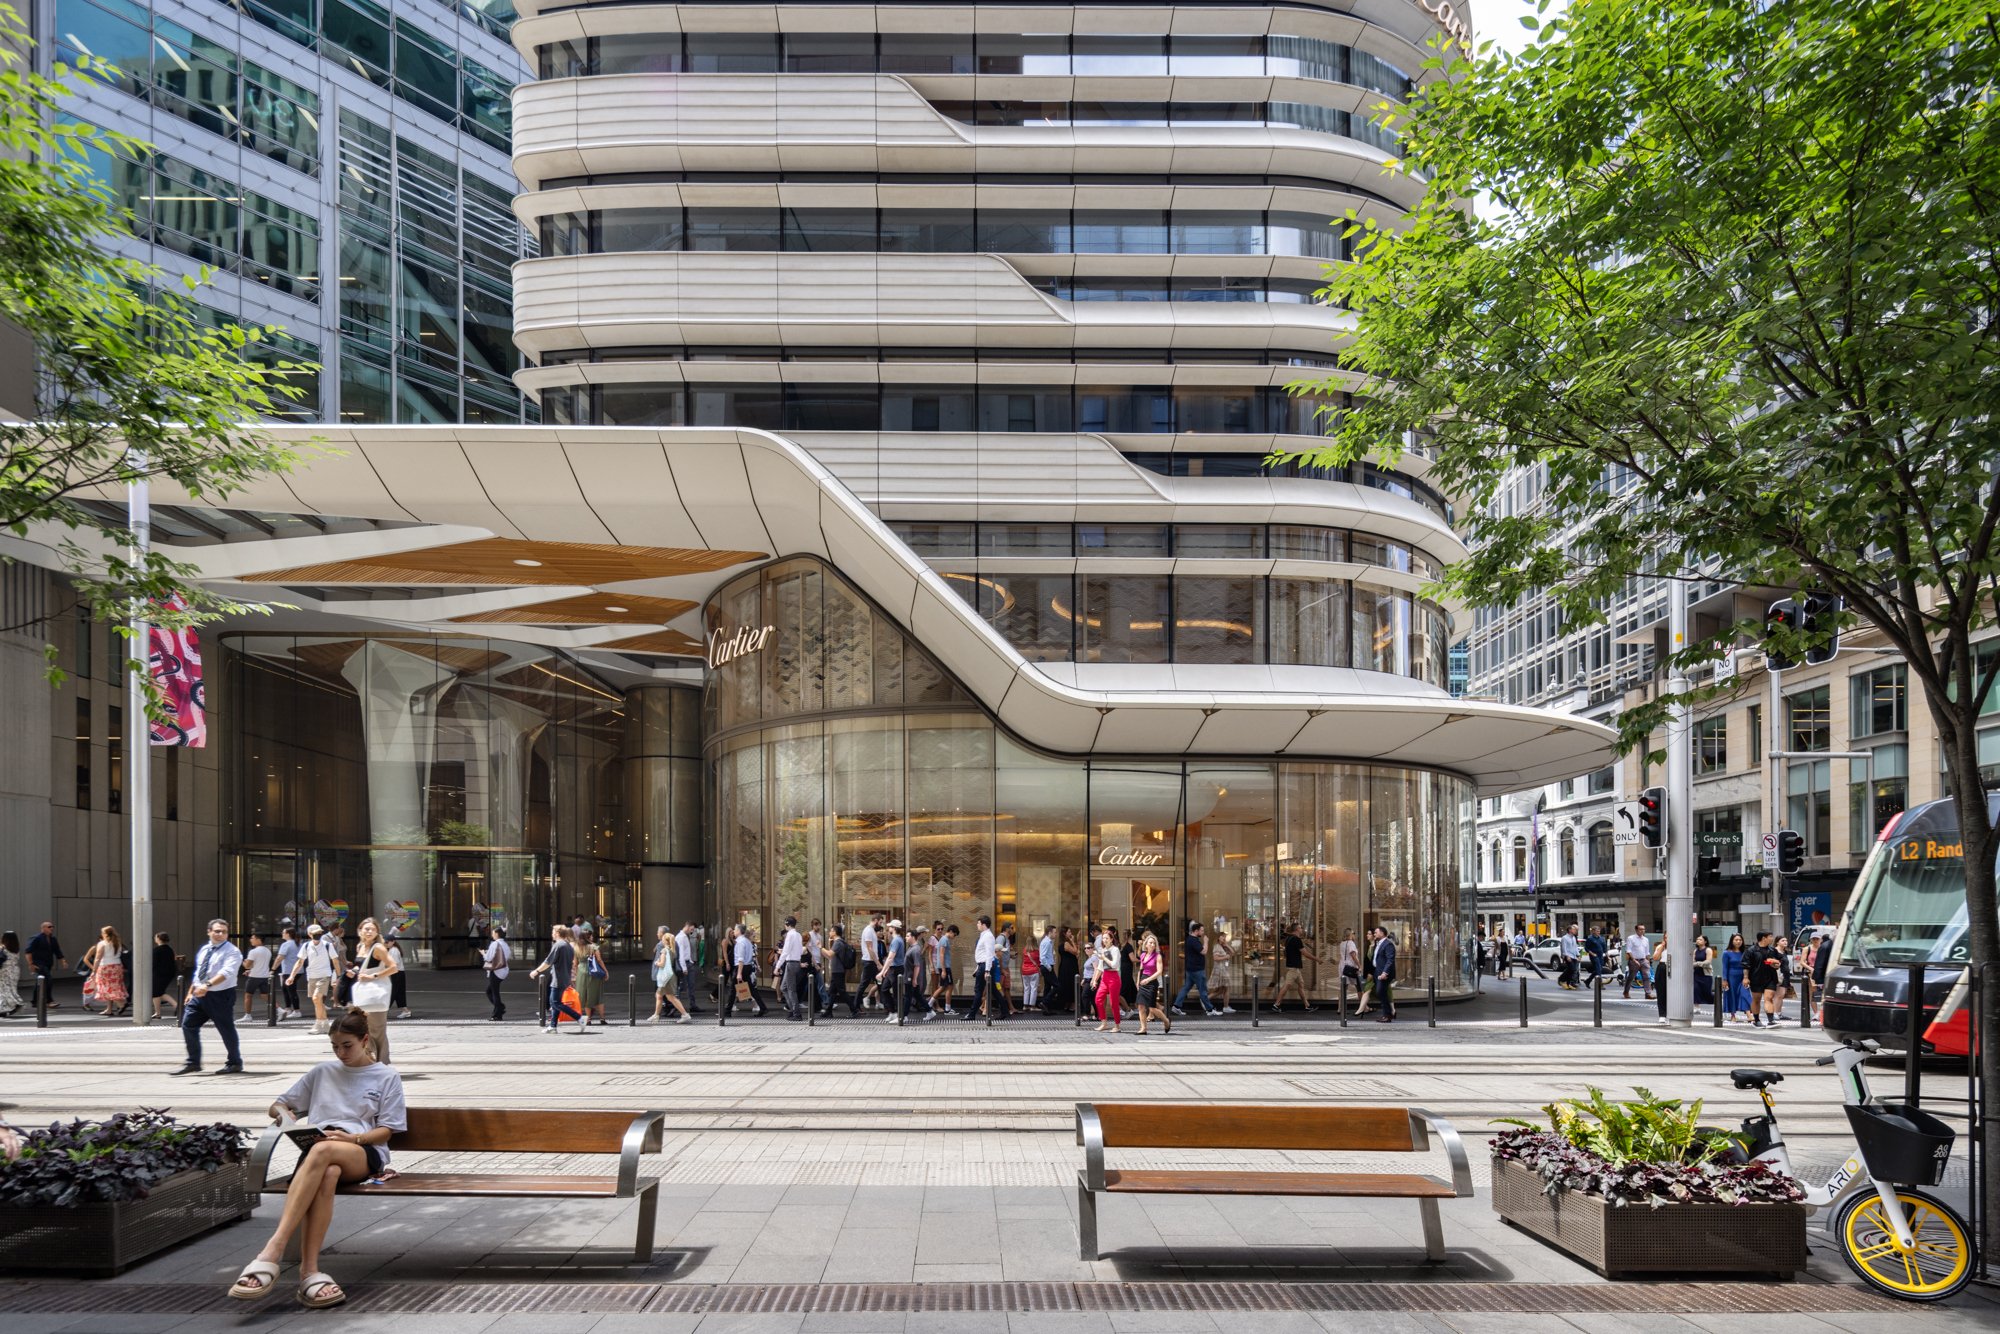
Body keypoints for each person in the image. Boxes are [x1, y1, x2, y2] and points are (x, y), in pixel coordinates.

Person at [227, 1007, 408, 1310]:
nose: (340, 1053)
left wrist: (352, 1138)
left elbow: (387, 1131)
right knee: (327, 1171)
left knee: (323, 1151)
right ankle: (309, 1273)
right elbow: (278, 1104)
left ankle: (272, 1250)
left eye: (347, 1045)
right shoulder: (322, 1072)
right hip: (320, 1151)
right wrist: (285, 1114)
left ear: (365, 1040)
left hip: (361, 1150)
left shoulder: (386, 1075)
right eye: (335, 1046)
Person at [176, 919, 245, 1075]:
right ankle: (193, 1062)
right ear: (209, 931)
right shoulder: (205, 949)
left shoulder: (232, 951)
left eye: (224, 932)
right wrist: (191, 991)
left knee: (225, 1029)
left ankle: (235, 1062)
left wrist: (207, 985)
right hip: (199, 995)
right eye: (217, 931)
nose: (221, 934)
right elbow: (199, 973)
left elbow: (227, 973)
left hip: (220, 995)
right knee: (188, 1024)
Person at [347, 918, 398, 1064]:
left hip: (375, 995)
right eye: (366, 929)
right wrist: (353, 971)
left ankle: (382, 1063)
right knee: (362, 1030)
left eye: (372, 929)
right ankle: (369, 1061)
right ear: (360, 930)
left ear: (377, 933)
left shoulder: (378, 948)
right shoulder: (360, 946)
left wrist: (373, 976)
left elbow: (393, 967)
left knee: (377, 1032)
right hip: (363, 996)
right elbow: (361, 966)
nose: (369, 932)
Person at [531, 924, 583, 1032]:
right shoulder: (568, 945)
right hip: (564, 978)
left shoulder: (558, 945)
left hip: (558, 978)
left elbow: (548, 962)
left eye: (553, 932)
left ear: (558, 933)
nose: (552, 934)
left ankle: (579, 1018)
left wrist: (536, 971)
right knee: (555, 1002)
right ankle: (553, 1026)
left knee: (554, 1003)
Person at [296, 925, 338, 1034]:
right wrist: (292, 975)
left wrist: (338, 976)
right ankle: (324, 1023)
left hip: (324, 975)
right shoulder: (306, 946)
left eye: (319, 933)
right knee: (317, 1001)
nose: (318, 935)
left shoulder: (328, 945)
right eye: (315, 933)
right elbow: (300, 961)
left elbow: (335, 960)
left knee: (316, 998)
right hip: (312, 976)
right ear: (310, 935)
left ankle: (319, 1023)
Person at [646, 925, 692, 1024]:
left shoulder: (663, 949)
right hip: (671, 976)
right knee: (661, 995)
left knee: (670, 997)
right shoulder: (673, 949)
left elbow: (661, 963)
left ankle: (684, 1014)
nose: (657, 934)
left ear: (664, 939)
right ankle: (656, 1015)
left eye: (660, 934)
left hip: (665, 977)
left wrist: (656, 963)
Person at [81, 925, 128, 1018]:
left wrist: (94, 971)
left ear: (105, 934)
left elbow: (98, 958)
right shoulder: (118, 942)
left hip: (105, 967)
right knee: (115, 986)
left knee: (107, 988)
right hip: (117, 966)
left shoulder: (102, 944)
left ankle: (122, 1004)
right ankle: (109, 1009)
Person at [1173, 921, 1216, 1016]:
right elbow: (1204, 951)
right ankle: (1210, 1009)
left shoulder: (1189, 939)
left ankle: (1176, 1006)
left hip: (1191, 969)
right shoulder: (1193, 940)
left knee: (1186, 988)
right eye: (1202, 930)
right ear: (1196, 931)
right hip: (1197, 970)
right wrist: (1206, 942)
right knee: (1203, 990)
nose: (1203, 932)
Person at [1271, 922, 1317, 1011]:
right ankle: (1276, 1004)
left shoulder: (1288, 939)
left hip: (1294, 967)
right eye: (1300, 928)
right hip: (1294, 968)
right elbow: (1305, 953)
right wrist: (1317, 959)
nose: (1302, 930)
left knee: (1301, 985)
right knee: (1287, 985)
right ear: (1296, 929)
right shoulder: (1296, 939)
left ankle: (1307, 1005)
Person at [1134, 933, 1172, 1035]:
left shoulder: (1157, 956)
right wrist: (1138, 982)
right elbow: (1141, 970)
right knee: (1141, 1006)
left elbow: (1159, 971)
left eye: (1154, 943)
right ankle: (1143, 1028)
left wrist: (1149, 980)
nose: (1152, 945)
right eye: (1150, 943)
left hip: (1152, 982)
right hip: (1143, 980)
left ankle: (1166, 1021)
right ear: (1146, 944)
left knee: (1152, 1008)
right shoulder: (1143, 955)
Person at [726, 923, 766, 1018]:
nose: (734, 932)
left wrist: (739, 973)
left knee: (732, 990)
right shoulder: (747, 941)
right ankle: (763, 1007)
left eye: (735, 930)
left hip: (741, 967)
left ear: (739, 931)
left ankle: (727, 1011)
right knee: (751, 989)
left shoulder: (740, 942)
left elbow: (740, 959)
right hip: (747, 967)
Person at [1743, 931, 1781, 1029]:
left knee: (1769, 998)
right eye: (1770, 936)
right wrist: (1746, 978)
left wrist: (1775, 964)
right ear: (1764, 938)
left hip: (1770, 977)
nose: (1772, 938)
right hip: (1756, 978)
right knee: (1756, 999)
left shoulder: (1772, 950)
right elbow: (1746, 965)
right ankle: (1756, 1020)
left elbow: (1777, 963)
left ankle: (1771, 1020)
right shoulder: (1751, 950)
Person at [24, 921, 65, 1008]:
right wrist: (30, 964)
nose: (51, 928)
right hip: (39, 963)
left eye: (52, 927)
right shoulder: (36, 938)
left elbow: (57, 951)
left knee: (40, 982)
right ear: (43, 928)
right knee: (48, 979)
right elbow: (28, 952)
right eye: (49, 927)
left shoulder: (53, 939)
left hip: (48, 963)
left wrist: (62, 961)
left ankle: (35, 1001)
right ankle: (49, 1001)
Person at [963, 915, 997, 1021]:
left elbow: (989, 954)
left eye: (978, 923)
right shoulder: (984, 935)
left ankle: (972, 1014)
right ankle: (1005, 1011)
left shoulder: (988, 936)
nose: (977, 925)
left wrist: (986, 970)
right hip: (981, 966)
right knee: (992, 990)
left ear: (983, 925)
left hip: (984, 966)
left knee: (978, 990)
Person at [1091, 927, 1124, 1032]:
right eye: (1103, 939)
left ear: (1111, 939)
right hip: (1105, 977)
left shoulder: (1115, 950)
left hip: (1114, 977)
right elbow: (1100, 967)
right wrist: (1095, 980)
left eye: (1106, 938)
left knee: (1114, 1003)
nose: (1104, 940)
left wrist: (1104, 958)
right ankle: (1104, 1022)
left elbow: (1114, 965)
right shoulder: (1103, 950)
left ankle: (1117, 1025)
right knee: (1098, 999)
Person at [777, 915, 807, 1021]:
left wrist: (778, 966)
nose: (784, 926)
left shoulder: (790, 935)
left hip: (790, 964)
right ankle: (792, 1010)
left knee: (790, 990)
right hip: (796, 962)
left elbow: (785, 951)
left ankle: (796, 1013)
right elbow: (799, 951)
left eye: (785, 924)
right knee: (784, 988)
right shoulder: (798, 935)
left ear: (787, 924)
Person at [824, 922, 856, 1017]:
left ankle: (854, 1010)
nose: (830, 932)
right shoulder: (837, 942)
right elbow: (831, 956)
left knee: (842, 992)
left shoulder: (838, 943)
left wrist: (820, 947)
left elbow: (830, 954)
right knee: (832, 992)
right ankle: (828, 1011)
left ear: (835, 932)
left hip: (838, 971)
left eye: (831, 930)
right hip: (836, 970)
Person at [240, 932, 272, 1019]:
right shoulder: (267, 951)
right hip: (264, 976)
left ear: (258, 940)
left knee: (248, 995)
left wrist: (241, 960)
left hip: (254, 977)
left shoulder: (253, 951)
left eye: (252, 938)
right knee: (265, 995)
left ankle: (248, 1015)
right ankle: (279, 1010)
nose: (251, 940)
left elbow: (247, 965)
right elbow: (257, 965)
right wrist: (249, 970)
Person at [482, 926, 511, 1021]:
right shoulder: (505, 944)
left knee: (494, 992)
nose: (492, 935)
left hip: (495, 970)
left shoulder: (494, 944)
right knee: (490, 991)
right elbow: (507, 955)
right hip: (503, 970)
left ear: (497, 934)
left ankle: (498, 1014)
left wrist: (483, 954)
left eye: (493, 933)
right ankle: (500, 1008)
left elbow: (488, 958)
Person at [1369, 925, 1398, 1023]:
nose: (1374, 934)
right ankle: (1388, 1014)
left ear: (1382, 933)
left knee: (1380, 991)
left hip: (1384, 973)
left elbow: (1390, 960)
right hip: (1378, 972)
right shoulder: (1378, 943)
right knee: (1381, 993)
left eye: (1376, 932)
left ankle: (1388, 1015)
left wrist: (1385, 972)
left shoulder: (1388, 944)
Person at [1207, 926, 1237, 1014]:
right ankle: (1225, 1007)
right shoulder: (1216, 946)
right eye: (1222, 936)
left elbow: (1233, 953)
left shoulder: (1222, 946)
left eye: (1225, 936)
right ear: (1218, 938)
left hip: (1223, 969)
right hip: (1220, 970)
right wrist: (1225, 957)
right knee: (1226, 988)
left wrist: (1226, 945)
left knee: (1221, 990)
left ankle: (1206, 1000)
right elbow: (1215, 958)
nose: (1224, 938)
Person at [675, 922, 702, 1015]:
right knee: (682, 986)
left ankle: (690, 1005)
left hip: (687, 963)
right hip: (685, 964)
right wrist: (684, 968)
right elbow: (681, 954)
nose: (693, 931)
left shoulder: (683, 936)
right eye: (692, 929)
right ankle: (676, 1006)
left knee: (689, 985)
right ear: (688, 926)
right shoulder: (682, 937)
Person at [1721, 932, 1749, 1021]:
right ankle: (1733, 1015)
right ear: (1732, 941)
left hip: (1743, 976)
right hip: (1731, 976)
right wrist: (1725, 979)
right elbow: (1725, 967)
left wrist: (1747, 977)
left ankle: (1749, 1014)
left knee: (1745, 994)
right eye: (1736, 940)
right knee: (1732, 995)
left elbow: (1748, 965)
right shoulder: (1726, 953)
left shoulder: (1745, 952)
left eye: (1740, 940)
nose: (1738, 942)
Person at [858, 913, 883, 1011]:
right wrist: (878, 963)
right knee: (864, 984)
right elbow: (870, 948)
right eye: (880, 922)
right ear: (876, 920)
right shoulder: (868, 930)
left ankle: (882, 1004)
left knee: (880, 982)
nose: (881, 925)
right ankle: (857, 1005)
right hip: (869, 961)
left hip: (871, 961)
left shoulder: (871, 930)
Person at [1622, 925, 1654, 1000]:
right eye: (1640, 929)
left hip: (1643, 960)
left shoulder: (1646, 939)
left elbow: (1647, 951)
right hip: (1634, 960)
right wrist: (1634, 960)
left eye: (1644, 929)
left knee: (1646, 977)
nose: (1642, 931)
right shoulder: (1631, 938)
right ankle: (1626, 991)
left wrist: (1648, 961)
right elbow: (1628, 950)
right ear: (1636, 930)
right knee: (1631, 977)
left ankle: (1648, 993)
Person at [1057, 926, 1081, 1016]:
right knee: (1070, 984)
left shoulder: (1065, 943)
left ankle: (1069, 1004)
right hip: (1069, 967)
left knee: (1068, 984)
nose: (1071, 934)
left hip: (1068, 966)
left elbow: (1076, 953)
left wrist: (1076, 941)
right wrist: (1073, 941)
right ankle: (1070, 1004)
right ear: (1064, 933)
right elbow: (1076, 952)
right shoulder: (1066, 943)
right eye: (1069, 932)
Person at [386, 934, 411, 1020]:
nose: (386, 943)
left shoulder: (394, 950)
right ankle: (406, 1011)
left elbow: (394, 964)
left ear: (393, 942)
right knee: (398, 993)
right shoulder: (392, 949)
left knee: (393, 993)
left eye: (387, 942)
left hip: (397, 973)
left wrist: (385, 972)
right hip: (397, 973)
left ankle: (384, 1011)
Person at [0, 931, 23, 1017]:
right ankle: (8, 1006)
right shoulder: (16, 949)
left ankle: (14, 1004)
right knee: (11, 989)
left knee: (3, 990)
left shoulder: (2, 948)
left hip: (4, 970)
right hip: (15, 970)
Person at [1020, 926, 1042, 1010]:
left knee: (1026, 988)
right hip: (1034, 971)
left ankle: (1025, 1005)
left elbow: (1023, 961)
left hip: (1025, 971)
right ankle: (1032, 1006)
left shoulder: (1024, 950)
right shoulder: (1037, 951)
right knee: (1033, 988)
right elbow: (1039, 962)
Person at [1691, 934, 1714, 1009]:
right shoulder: (1695, 950)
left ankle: (1716, 1001)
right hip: (1697, 973)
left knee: (1707, 991)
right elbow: (1693, 961)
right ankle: (1696, 1006)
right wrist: (1696, 964)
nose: (1698, 941)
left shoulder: (1708, 950)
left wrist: (1698, 964)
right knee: (1696, 989)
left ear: (1705, 941)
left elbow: (1708, 961)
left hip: (1706, 973)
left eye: (1700, 939)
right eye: (1697, 939)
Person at [1557, 924, 1582, 990]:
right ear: (1570, 930)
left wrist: (1578, 955)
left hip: (1573, 956)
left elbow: (1575, 947)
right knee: (1572, 969)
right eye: (1574, 929)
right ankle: (1562, 979)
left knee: (1572, 970)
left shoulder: (1573, 938)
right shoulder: (1565, 938)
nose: (1575, 931)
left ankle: (1568, 983)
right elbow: (1563, 948)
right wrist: (1566, 956)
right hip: (1568, 955)